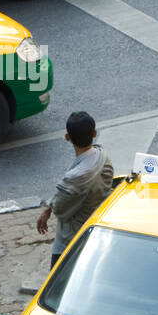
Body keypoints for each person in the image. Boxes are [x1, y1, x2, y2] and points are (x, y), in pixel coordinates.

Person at [36, 112, 114, 268]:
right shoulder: (102, 156)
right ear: (94, 133)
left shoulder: (73, 178)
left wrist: (49, 210)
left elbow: (59, 209)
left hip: (71, 238)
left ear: (67, 137)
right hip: (97, 227)